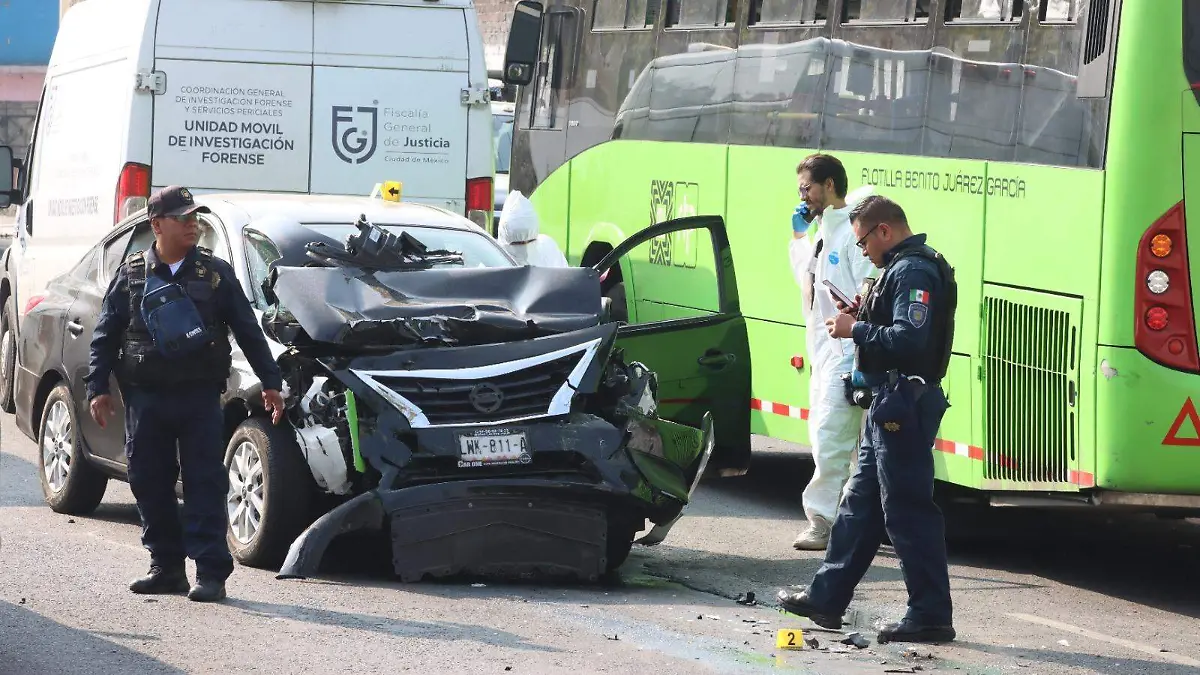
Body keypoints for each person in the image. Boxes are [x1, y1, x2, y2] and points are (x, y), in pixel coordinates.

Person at [85, 185, 286, 603]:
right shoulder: (132, 274)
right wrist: (96, 386)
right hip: (146, 399)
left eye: (194, 217)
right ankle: (166, 567)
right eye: (182, 218)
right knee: (148, 480)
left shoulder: (214, 274)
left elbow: (248, 330)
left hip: (199, 397)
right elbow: (105, 334)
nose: (192, 224)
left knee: (204, 483)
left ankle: (210, 572)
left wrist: (271, 382)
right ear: (157, 225)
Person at [776, 194, 958, 644]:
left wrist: (855, 328)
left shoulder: (913, 270)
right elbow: (897, 326)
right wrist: (865, 313)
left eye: (862, 242)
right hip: (888, 402)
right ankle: (826, 598)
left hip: (904, 404)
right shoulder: (900, 268)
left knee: (907, 511)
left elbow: (910, 339)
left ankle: (930, 615)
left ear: (885, 230)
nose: (862, 251)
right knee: (859, 505)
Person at [788, 153, 876, 550]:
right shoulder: (823, 232)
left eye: (807, 188)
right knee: (836, 438)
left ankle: (821, 521)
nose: (802, 196)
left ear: (829, 185)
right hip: (823, 352)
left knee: (831, 437)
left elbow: (868, 291)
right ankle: (857, 519)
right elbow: (806, 280)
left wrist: (854, 338)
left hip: (846, 352)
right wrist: (798, 239)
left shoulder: (851, 234)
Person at [497, 189, 568, 267]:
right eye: (518, 244)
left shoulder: (550, 252)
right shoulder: (494, 261)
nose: (526, 252)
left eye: (531, 242)